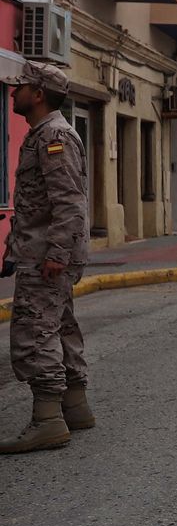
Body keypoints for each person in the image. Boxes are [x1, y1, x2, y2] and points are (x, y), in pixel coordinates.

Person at [1, 61, 91, 454]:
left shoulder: (54, 136)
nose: (13, 91)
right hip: (42, 251)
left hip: (47, 256)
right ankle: (75, 407)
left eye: (20, 86)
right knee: (60, 326)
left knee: (34, 332)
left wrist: (56, 253)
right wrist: (13, 247)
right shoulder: (45, 134)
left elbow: (69, 201)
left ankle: (48, 420)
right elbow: (35, 204)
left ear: (38, 95)